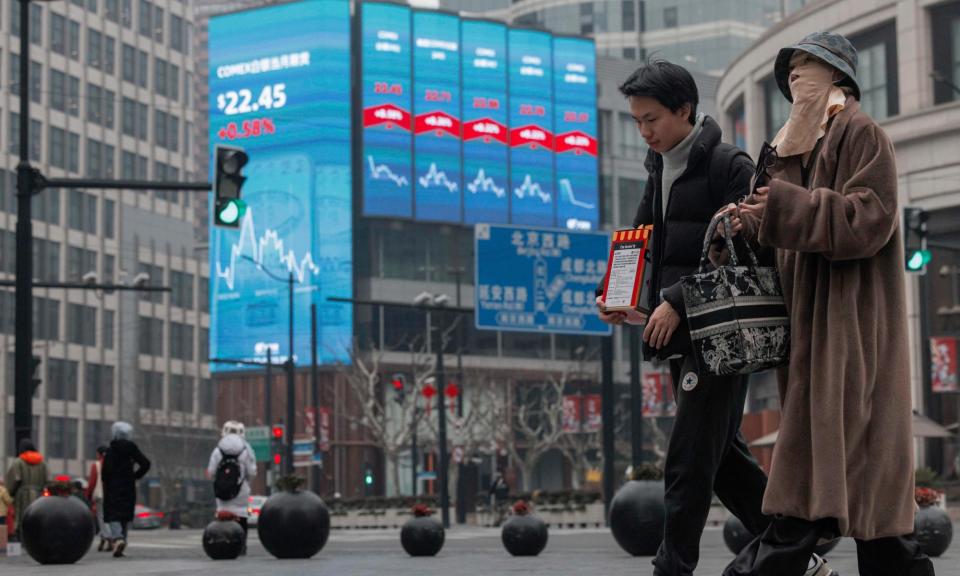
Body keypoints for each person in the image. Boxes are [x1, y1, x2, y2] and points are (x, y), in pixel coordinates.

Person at [716, 32, 935, 576]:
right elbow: (778, 239)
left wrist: (785, 206)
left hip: (853, 332)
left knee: (816, 489)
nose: (796, 76)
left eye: (809, 65)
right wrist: (747, 223)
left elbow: (871, 217)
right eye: (791, 69)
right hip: (809, 334)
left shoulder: (862, 133)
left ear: (838, 76)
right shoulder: (790, 146)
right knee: (868, 512)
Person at [594, 60, 771, 576]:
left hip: (722, 333)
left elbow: (747, 257)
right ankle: (797, 547)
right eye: (636, 121)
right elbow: (640, 239)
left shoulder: (729, 166)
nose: (643, 131)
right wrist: (613, 291)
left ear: (685, 110)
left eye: (651, 119)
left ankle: (672, 569)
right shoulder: (658, 167)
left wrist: (676, 299)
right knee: (723, 464)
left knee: (688, 461)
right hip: (682, 335)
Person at [101, 421, 151, 558]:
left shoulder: (110, 451)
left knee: (113, 514)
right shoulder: (131, 448)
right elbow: (146, 463)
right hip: (128, 485)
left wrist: (107, 483)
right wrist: (135, 476)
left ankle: (118, 539)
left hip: (113, 487)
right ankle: (123, 542)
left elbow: (105, 472)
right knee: (125, 513)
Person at [207, 420, 257, 554]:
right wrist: (245, 482)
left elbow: (211, 472)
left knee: (222, 514)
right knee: (242, 517)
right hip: (241, 490)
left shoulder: (218, 450)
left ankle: (221, 542)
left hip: (221, 491)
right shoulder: (246, 450)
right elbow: (252, 472)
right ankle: (241, 546)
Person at [4, 438, 48, 541]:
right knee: (37, 518)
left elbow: (14, 480)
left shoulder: (18, 462)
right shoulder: (42, 462)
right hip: (39, 495)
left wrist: (10, 493)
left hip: (22, 495)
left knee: (22, 518)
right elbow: (48, 479)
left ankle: (23, 540)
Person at [85, 446, 110, 552]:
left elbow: (92, 482)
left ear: (99, 454)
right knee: (110, 517)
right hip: (112, 495)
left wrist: (88, 494)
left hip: (101, 495)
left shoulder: (97, 465)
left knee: (102, 517)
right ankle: (105, 539)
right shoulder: (113, 464)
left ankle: (109, 538)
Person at [0, 479, 13, 551]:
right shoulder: (3, 490)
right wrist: (12, 499)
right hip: (1, 513)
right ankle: (2, 546)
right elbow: (8, 501)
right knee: (2, 530)